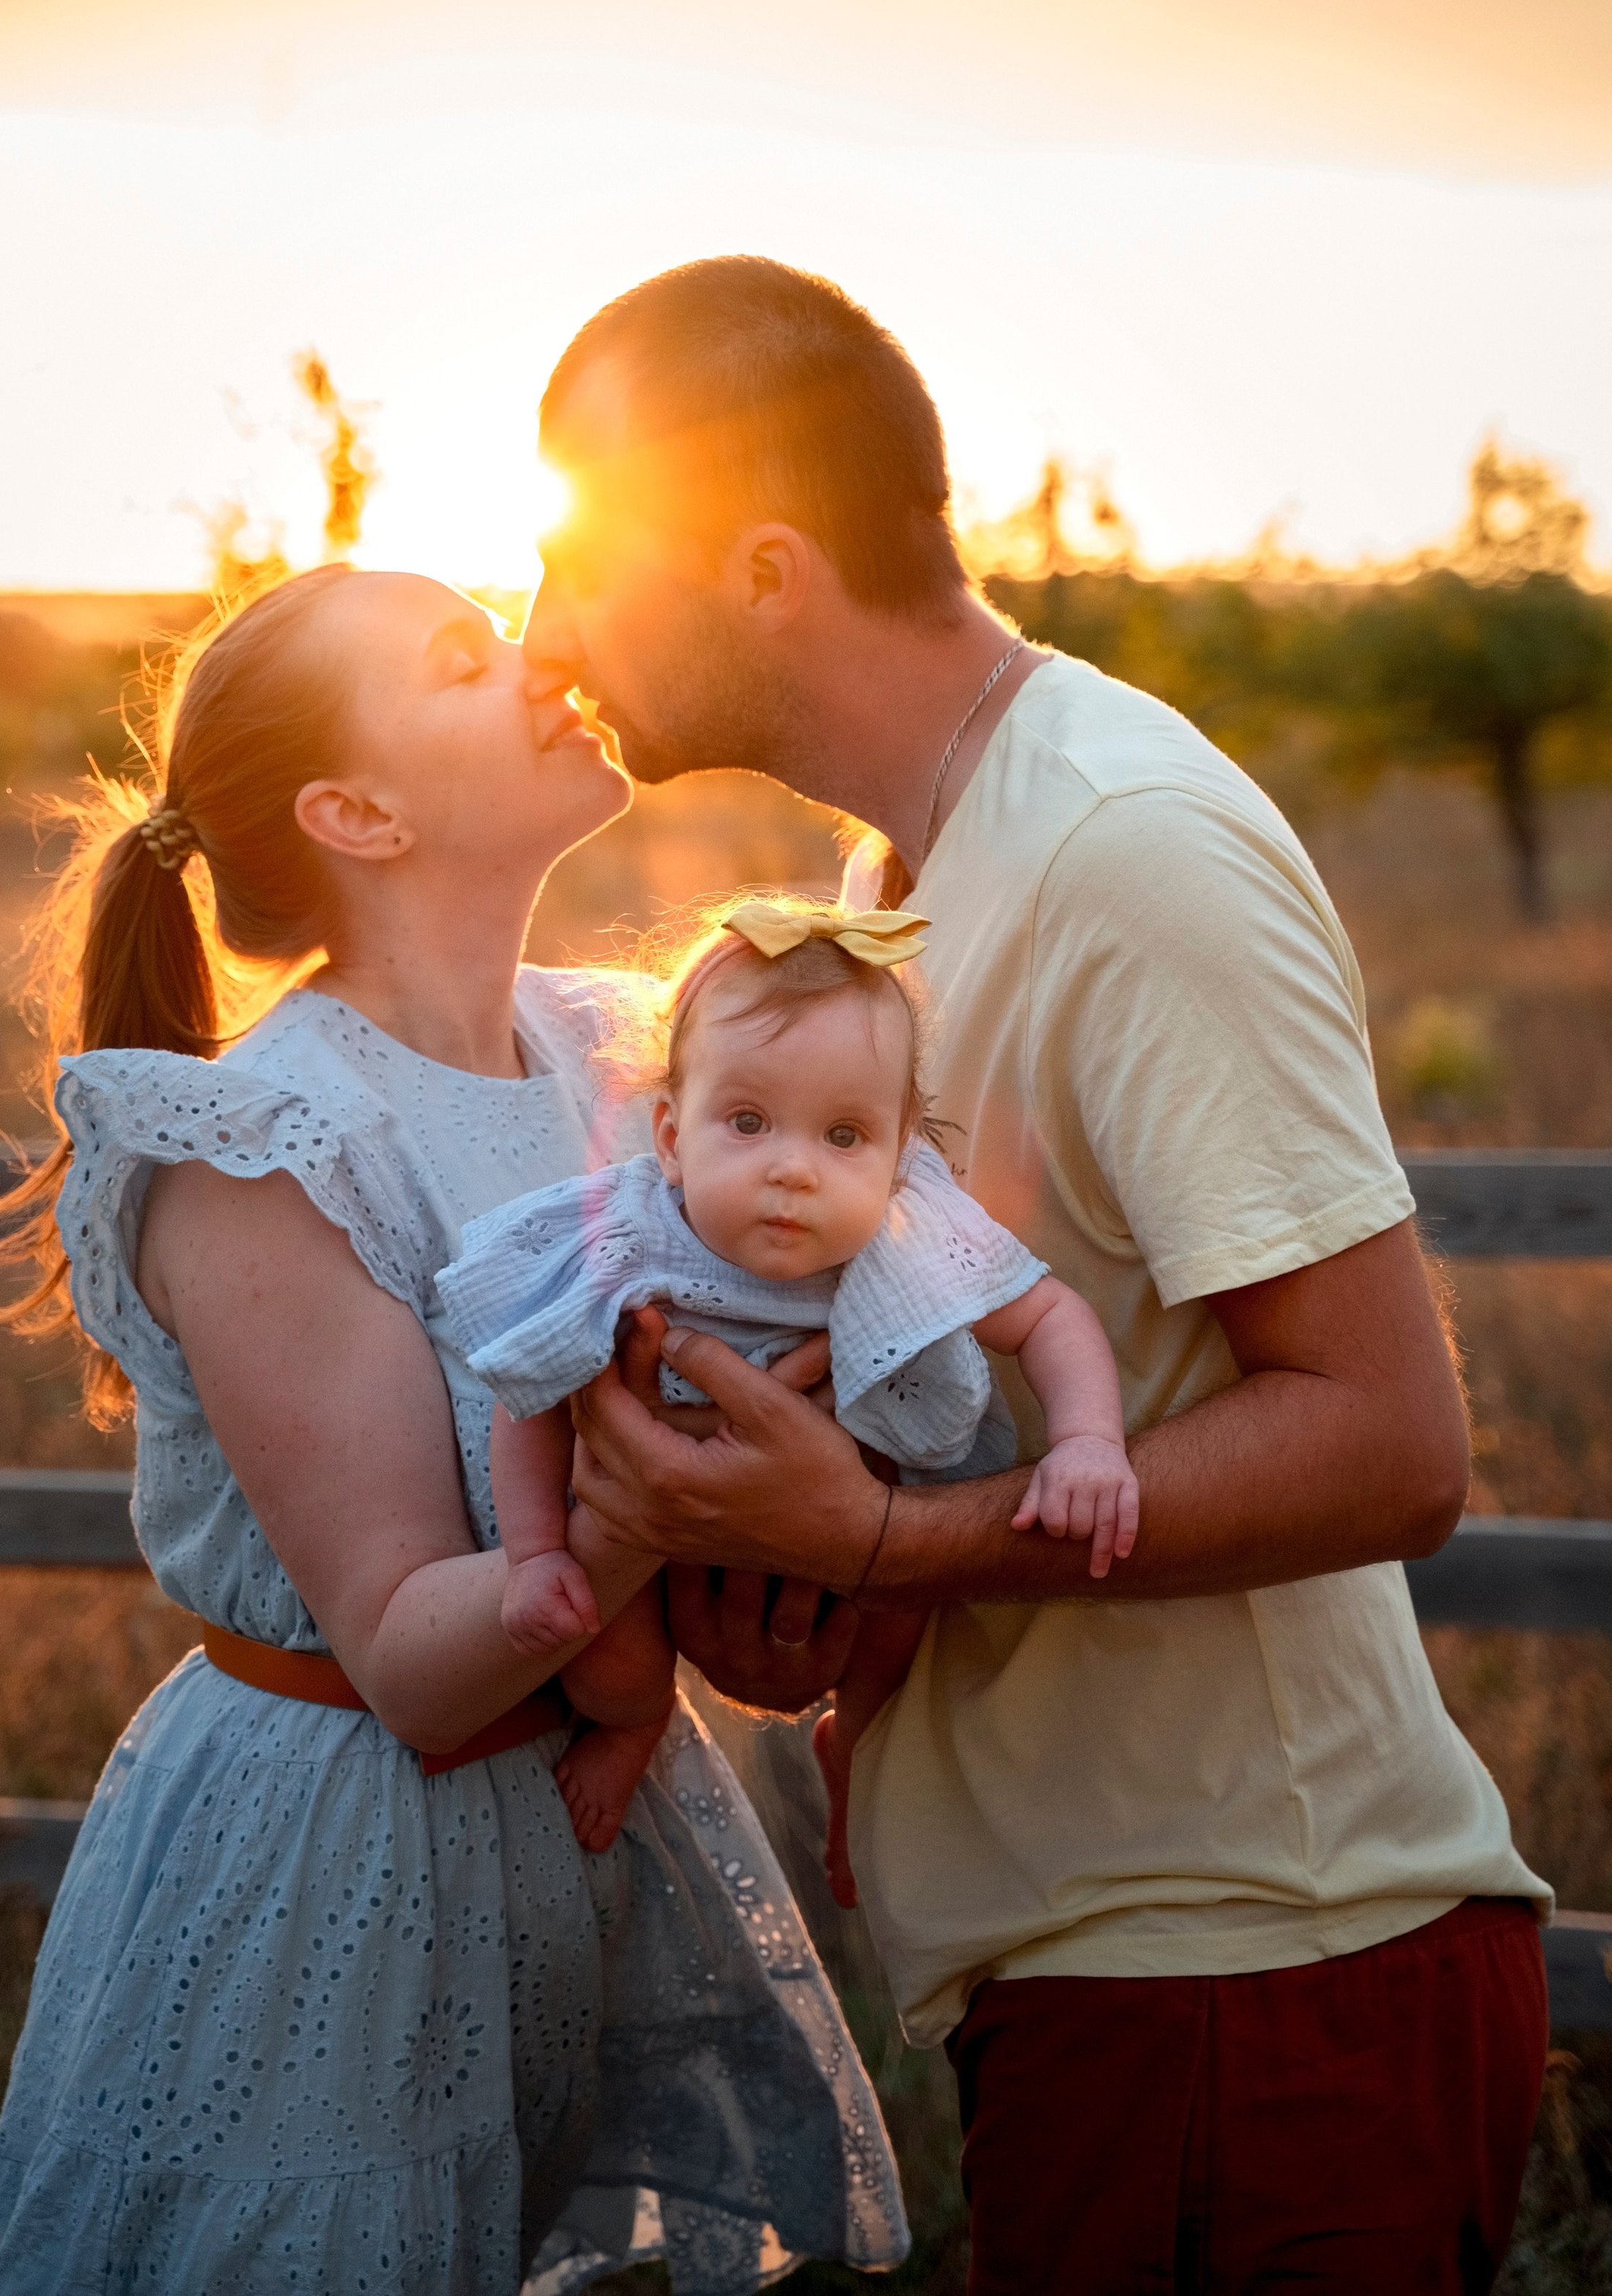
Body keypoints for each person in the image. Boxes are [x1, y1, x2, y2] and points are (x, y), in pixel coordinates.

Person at [521, 254, 1553, 2295]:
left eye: (578, 562)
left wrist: (897, 1538)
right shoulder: (893, 892)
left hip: (1264, 1979)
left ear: (761, 567)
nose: (543, 632)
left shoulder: (1125, 849)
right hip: (1100, 1984)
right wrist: (791, 1581)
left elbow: (1390, 1444)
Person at [0, 562, 908, 2296]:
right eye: (465, 660)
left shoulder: (616, 1052)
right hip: (344, 1861)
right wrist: (652, 1507)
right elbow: (408, 1656)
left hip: (584, 1836)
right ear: (357, 811)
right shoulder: (265, 1141)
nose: (542, 658)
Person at [436, 892, 1135, 1867]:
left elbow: (1051, 1314)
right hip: (658, 1542)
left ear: (903, 1157)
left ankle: (859, 1743)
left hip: (859, 1527)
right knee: (607, 1659)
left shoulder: (909, 1232)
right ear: (673, 1137)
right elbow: (534, 1394)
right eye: (751, 1122)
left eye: (843, 1136)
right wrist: (540, 1553)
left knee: (905, 1626)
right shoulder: (627, 1238)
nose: (793, 1171)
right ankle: (637, 1723)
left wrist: (1089, 1444)